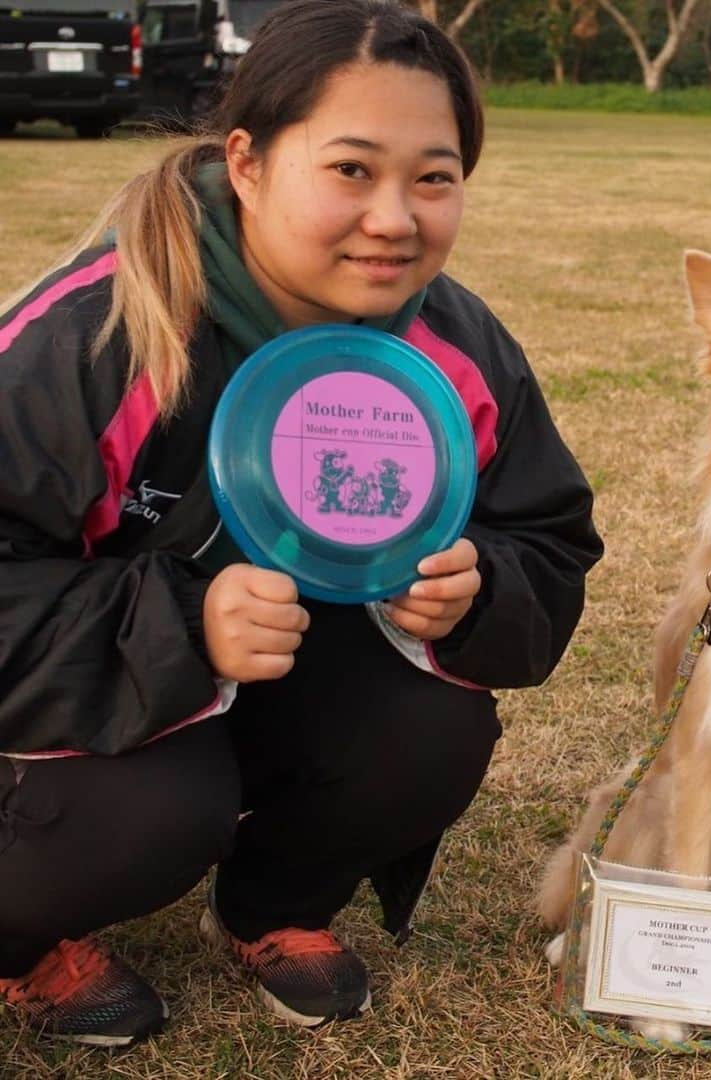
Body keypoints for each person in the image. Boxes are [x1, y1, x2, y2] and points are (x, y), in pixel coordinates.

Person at [0, 0, 601, 1048]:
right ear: (247, 161)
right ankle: (17, 937)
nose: (395, 218)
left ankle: (273, 903)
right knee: (148, 816)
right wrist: (180, 630)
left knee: (431, 729)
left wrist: (481, 590)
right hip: (75, 711)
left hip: (279, 682)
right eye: (352, 169)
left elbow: (548, 541)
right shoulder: (103, 333)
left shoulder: (455, 349)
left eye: (435, 176)